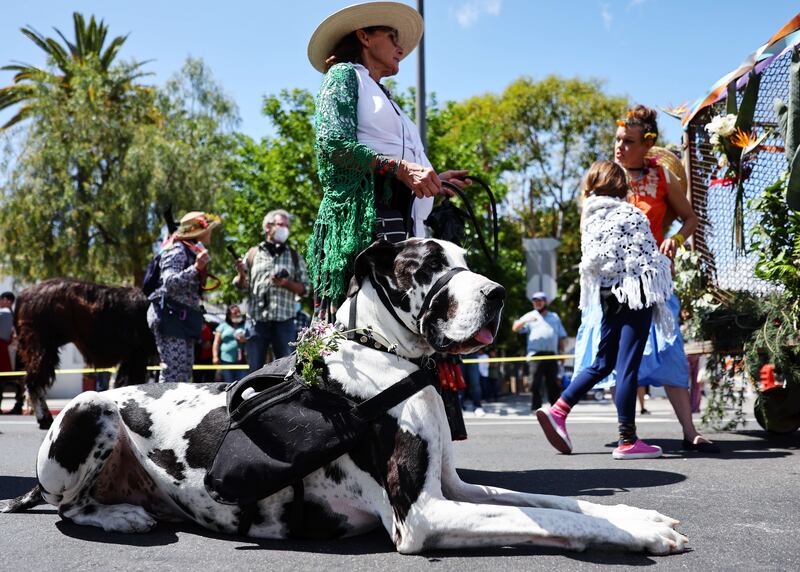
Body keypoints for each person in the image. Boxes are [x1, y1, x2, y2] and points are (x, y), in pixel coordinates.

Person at [573, 105, 719, 453]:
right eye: (618, 139)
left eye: (628, 141)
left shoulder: (661, 177)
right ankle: (621, 432)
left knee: (669, 349)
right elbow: (587, 231)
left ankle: (689, 430)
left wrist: (676, 239)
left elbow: (689, 219)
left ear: (647, 145)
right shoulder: (602, 179)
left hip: (652, 281)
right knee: (608, 355)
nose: (619, 146)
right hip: (613, 283)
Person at [306, 1, 470, 308]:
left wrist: (437, 180)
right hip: (368, 222)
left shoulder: (381, 93)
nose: (401, 47)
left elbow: (396, 154)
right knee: (361, 321)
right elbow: (333, 144)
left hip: (402, 222)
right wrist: (398, 168)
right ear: (365, 37)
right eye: (393, 37)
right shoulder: (344, 75)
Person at [537, 160, 675, 459]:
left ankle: (559, 410)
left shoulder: (591, 213)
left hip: (607, 295)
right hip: (634, 294)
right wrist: (664, 265)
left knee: (603, 362)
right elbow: (647, 258)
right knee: (627, 366)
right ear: (619, 184)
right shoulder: (629, 213)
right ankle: (628, 440)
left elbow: (598, 261)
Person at [147, 211, 220, 383]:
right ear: (199, 232)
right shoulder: (177, 250)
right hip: (170, 319)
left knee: (184, 372)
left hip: (182, 320)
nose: (210, 233)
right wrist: (196, 268)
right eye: (208, 229)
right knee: (173, 372)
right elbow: (169, 282)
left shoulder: (190, 250)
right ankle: (165, 409)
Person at [234, 209, 308, 372]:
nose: (285, 229)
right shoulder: (252, 254)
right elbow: (241, 286)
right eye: (281, 225)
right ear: (268, 227)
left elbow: (305, 289)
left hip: (285, 322)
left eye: (287, 226)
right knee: (254, 372)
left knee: (286, 372)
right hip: (256, 322)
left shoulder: (295, 257)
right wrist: (241, 273)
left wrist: (286, 283)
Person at [512, 292, 567, 411]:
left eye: (540, 300)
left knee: (553, 384)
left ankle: (555, 409)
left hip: (551, 355)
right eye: (535, 301)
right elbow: (515, 328)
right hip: (535, 355)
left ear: (545, 302)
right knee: (534, 383)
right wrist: (525, 321)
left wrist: (562, 354)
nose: (537, 303)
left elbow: (561, 337)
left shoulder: (554, 317)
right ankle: (536, 408)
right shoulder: (529, 316)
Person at [213, 304, 247, 384]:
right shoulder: (223, 326)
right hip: (225, 361)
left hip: (242, 362)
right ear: (229, 315)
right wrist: (215, 356)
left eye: (239, 312)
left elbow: (251, 340)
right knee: (229, 384)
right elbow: (216, 342)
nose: (238, 314)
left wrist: (244, 340)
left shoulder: (245, 325)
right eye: (235, 313)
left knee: (242, 384)